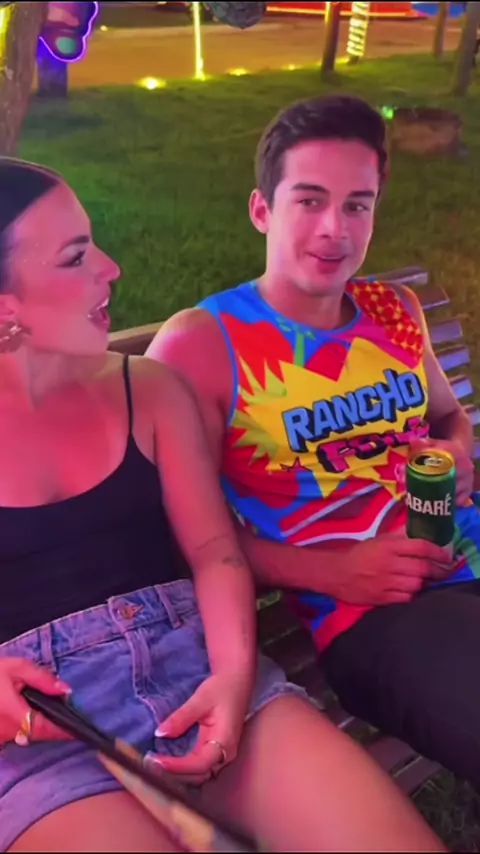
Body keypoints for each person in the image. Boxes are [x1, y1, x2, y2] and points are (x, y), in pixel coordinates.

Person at [0, 158, 443, 854]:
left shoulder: (148, 390)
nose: (111, 268)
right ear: (5, 306)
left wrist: (234, 681)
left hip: (198, 666)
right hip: (40, 738)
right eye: (76, 257)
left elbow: (215, 553)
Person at [148, 93, 480, 790]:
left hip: (462, 549)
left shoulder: (394, 311)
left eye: (357, 205)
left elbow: (449, 418)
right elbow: (175, 536)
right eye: (309, 200)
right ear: (261, 210)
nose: (335, 229)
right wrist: (334, 574)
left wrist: (455, 451)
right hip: (373, 615)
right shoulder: (204, 345)